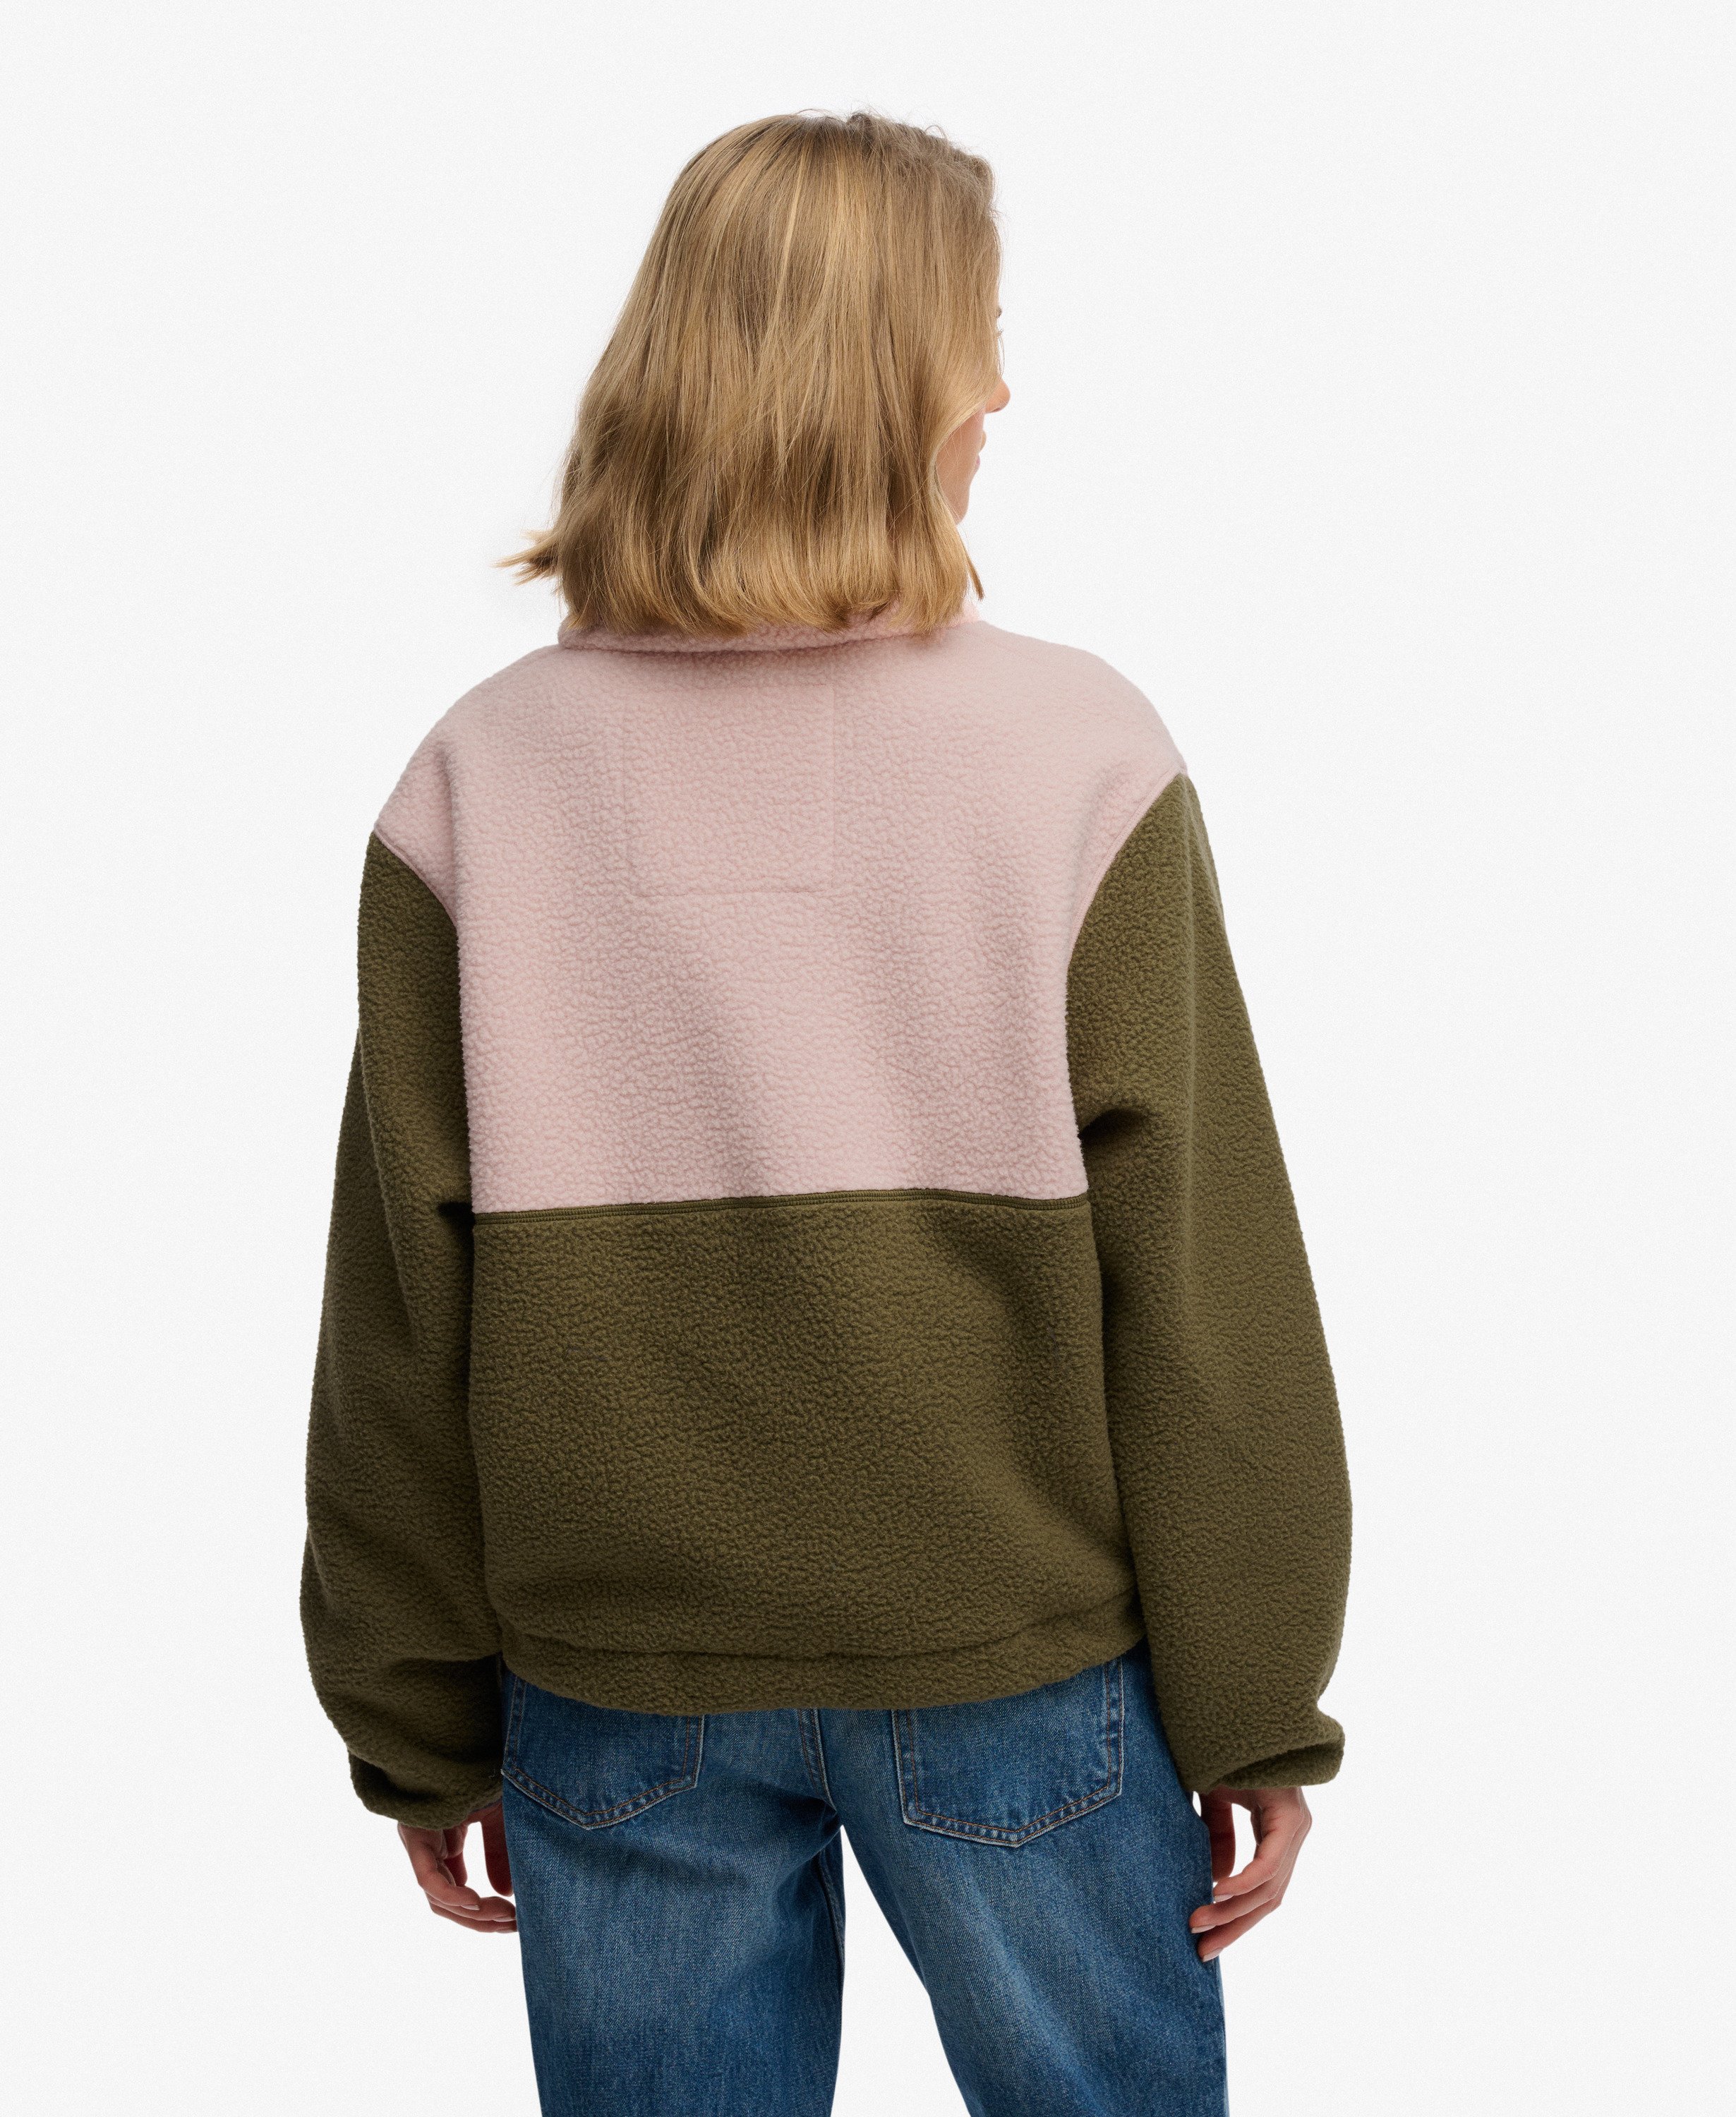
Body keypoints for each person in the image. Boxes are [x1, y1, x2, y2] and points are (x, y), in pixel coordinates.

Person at [301, 109, 1351, 2117]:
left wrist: (413, 1711)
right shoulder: (1076, 755)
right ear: (892, 386)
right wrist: (1253, 1698)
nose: (1002, 393)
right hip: (1012, 1670)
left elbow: (395, 1321)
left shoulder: (481, 776)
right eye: (981, 340)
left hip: (615, 1688)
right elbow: (1204, 1281)